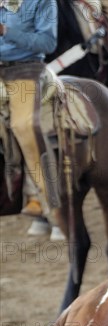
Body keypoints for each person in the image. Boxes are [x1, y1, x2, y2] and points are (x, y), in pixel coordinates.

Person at [0, 0, 58, 217]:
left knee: (23, 125)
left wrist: (6, 31)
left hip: (25, 68)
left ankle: (47, 198)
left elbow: (48, 43)